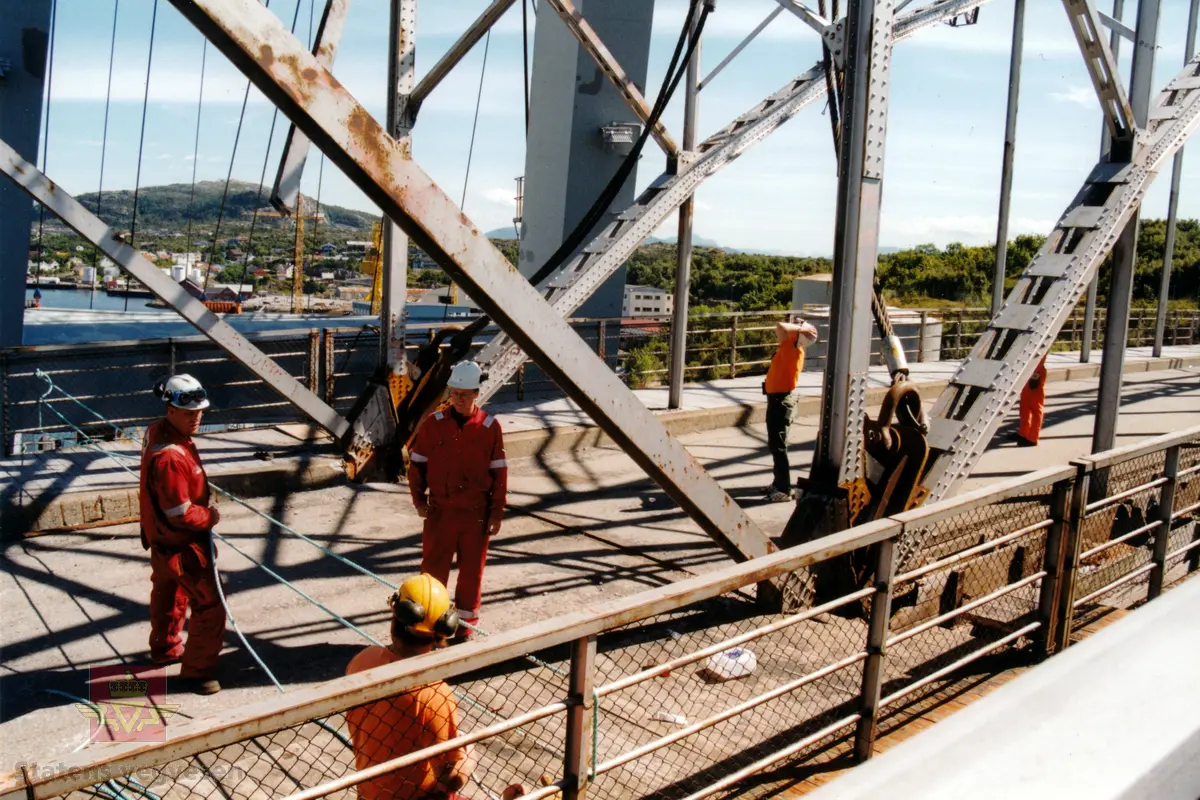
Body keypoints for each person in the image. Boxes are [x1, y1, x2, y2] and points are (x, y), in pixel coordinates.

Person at [345, 574, 476, 800]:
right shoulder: (433, 692)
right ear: (445, 626)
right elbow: (450, 778)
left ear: (396, 614)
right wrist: (469, 755)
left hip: (368, 794)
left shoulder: (361, 662)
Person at [408, 361, 507, 638]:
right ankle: (429, 624)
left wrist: (496, 512)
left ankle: (464, 629)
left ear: (476, 393)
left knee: (471, 574)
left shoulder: (490, 427)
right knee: (432, 572)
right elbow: (417, 464)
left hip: (476, 514)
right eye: (454, 393)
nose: (458, 399)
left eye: (464, 394)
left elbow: (499, 471)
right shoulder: (433, 425)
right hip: (441, 512)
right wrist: (418, 500)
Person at [139, 374, 224, 695]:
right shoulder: (172, 457)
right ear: (170, 409)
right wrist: (210, 516)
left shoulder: (155, 432)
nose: (196, 418)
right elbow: (182, 513)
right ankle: (197, 674)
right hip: (181, 545)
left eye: (200, 413)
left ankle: (164, 648)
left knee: (168, 594)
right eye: (189, 414)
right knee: (210, 606)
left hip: (160, 541)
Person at [763, 319, 819, 502]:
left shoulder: (793, 350)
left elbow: (780, 326)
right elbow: (782, 329)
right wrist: (800, 327)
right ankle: (778, 483)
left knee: (779, 447)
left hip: (780, 401)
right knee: (775, 444)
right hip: (777, 399)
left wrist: (799, 326)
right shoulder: (791, 347)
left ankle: (783, 489)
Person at [1017, 355, 1049, 447]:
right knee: (1025, 405)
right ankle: (1024, 433)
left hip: (1035, 372)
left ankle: (1032, 438)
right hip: (1030, 371)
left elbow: (1041, 355)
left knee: (1035, 406)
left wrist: (1036, 374)